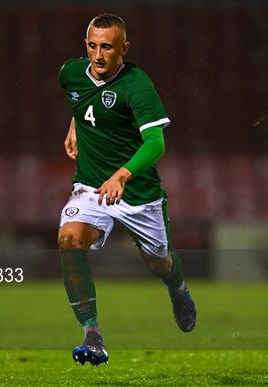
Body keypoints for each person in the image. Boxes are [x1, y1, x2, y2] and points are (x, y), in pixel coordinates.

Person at [58, 13, 196, 366]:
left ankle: (177, 287)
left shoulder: (138, 85)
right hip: (90, 184)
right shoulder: (71, 73)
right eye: (92, 46)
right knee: (70, 239)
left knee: (159, 263)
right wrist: (75, 124)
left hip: (137, 192)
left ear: (124, 48)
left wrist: (122, 175)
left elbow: (155, 144)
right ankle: (92, 334)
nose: (98, 55)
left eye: (107, 47)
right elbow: (80, 97)